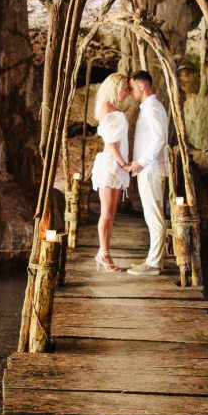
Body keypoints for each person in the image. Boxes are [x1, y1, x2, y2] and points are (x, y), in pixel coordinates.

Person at [125, 70, 169, 276]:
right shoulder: (149, 108)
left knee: (154, 217)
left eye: (132, 87)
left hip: (151, 169)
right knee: (151, 216)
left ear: (142, 86)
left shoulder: (152, 108)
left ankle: (154, 264)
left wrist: (141, 162)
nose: (130, 91)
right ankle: (154, 258)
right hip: (148, 169)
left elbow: (160, 139)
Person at [90, 72, 132, 272]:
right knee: (106, 212)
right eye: (125, 88)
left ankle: (105, 252)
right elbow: (112, 143)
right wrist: (124, 164)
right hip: (110, 164)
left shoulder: (112, 109)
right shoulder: (107, 108)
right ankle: (103, 253)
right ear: (115, 88)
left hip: (114, 164)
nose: (127, 92)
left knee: (111, 212)